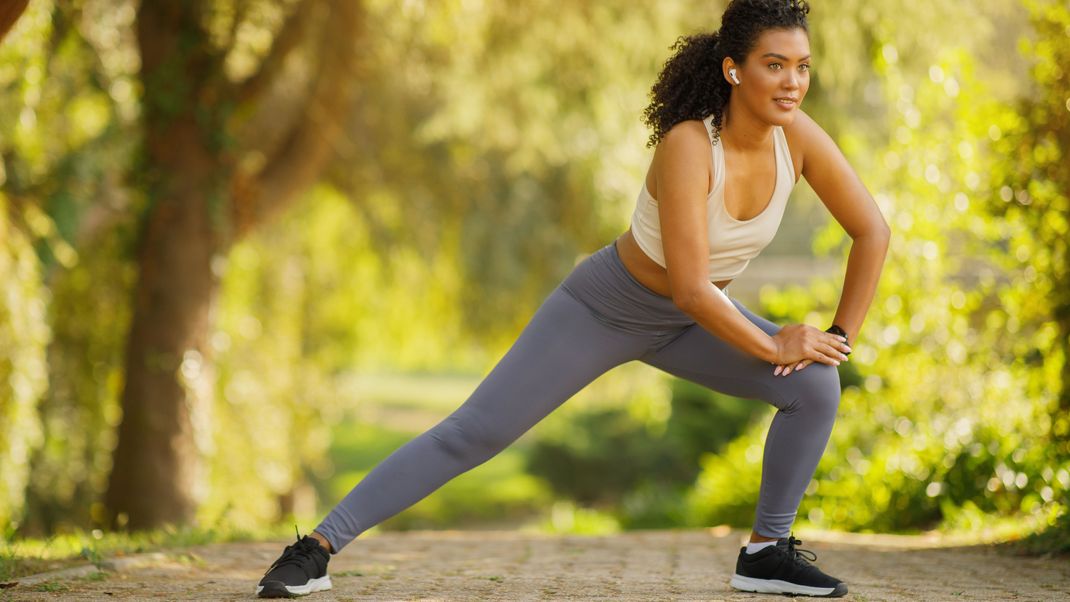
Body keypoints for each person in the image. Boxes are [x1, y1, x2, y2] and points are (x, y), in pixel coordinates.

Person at [255, 0, 890, 597]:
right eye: (773, 65)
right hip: (604, 308)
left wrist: (837, 340)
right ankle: (316, 547)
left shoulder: (797, 137)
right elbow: (694, 287)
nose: (791, 82)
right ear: (734, 69)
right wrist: (777, 340)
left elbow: (872, 231)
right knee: (473, 434)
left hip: (689, 321)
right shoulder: (690, 145)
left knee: (812, 387)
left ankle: (764, 553)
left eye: (801, 66)